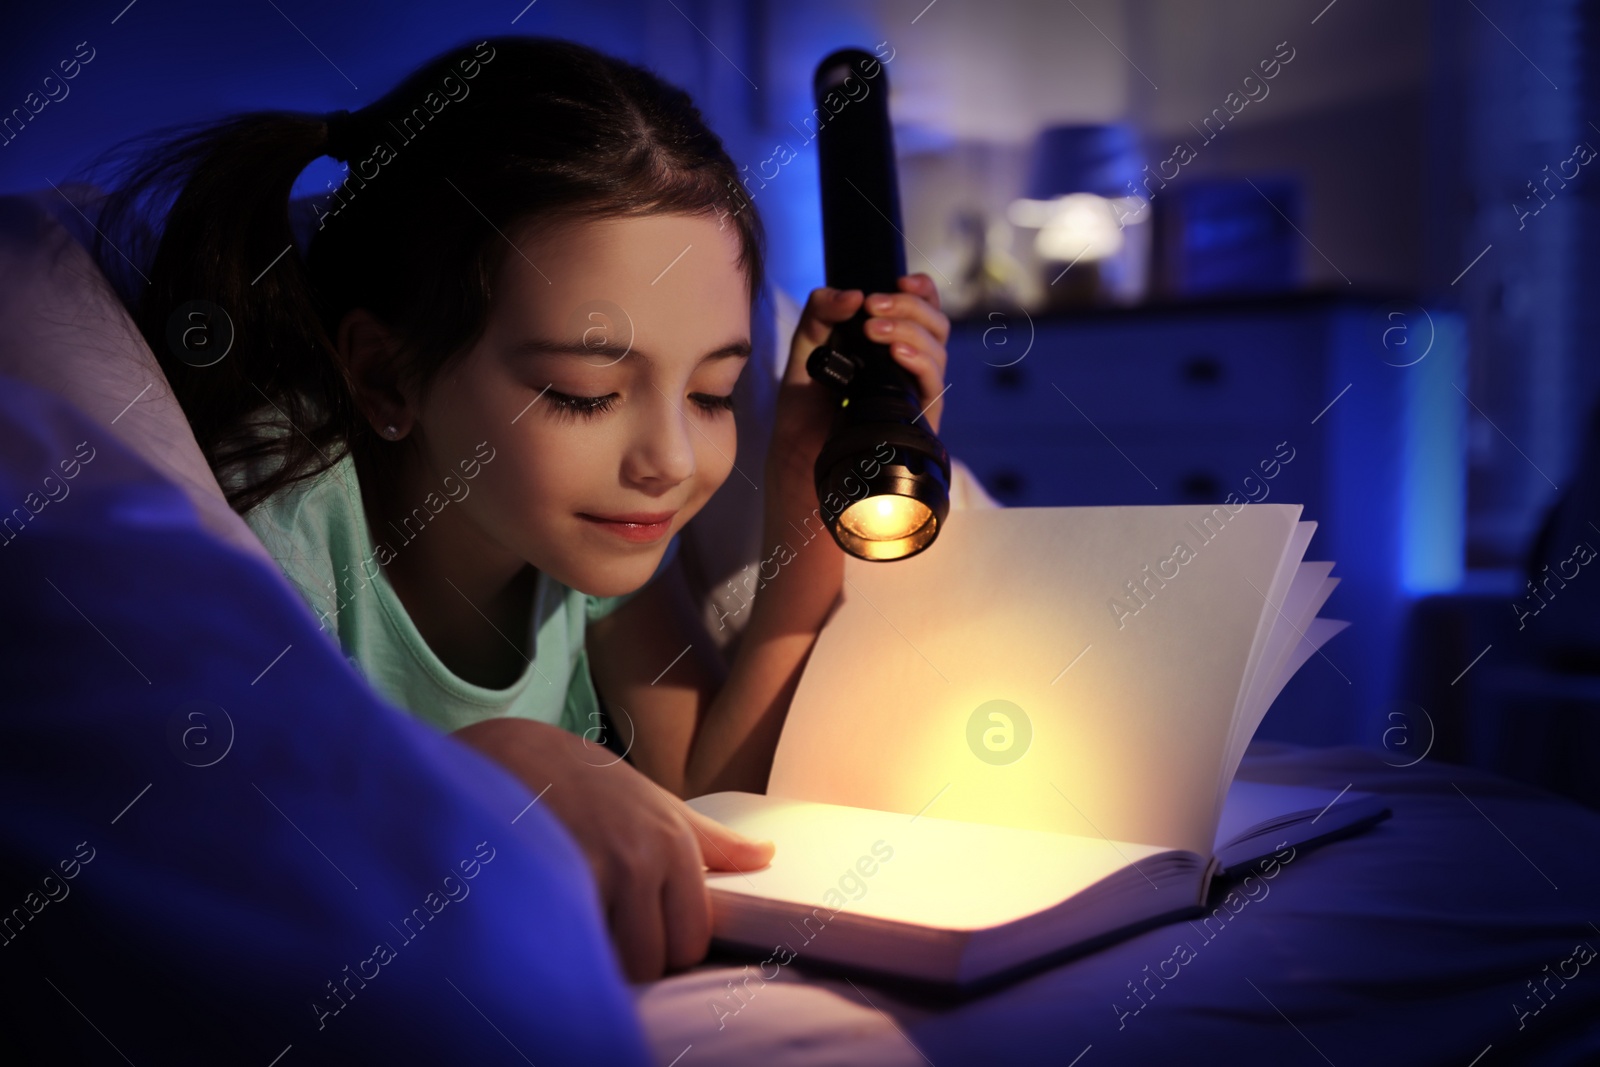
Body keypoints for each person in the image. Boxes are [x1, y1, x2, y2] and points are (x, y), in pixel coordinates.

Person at [75, 34, 952, 981]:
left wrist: (802, 496)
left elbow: (708, 794)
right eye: (583, 392)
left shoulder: (585, 545)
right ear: (384, 375)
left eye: (712, 395)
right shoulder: (288, 526)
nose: (668, 460)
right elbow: (225, 841)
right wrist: (495, 765)